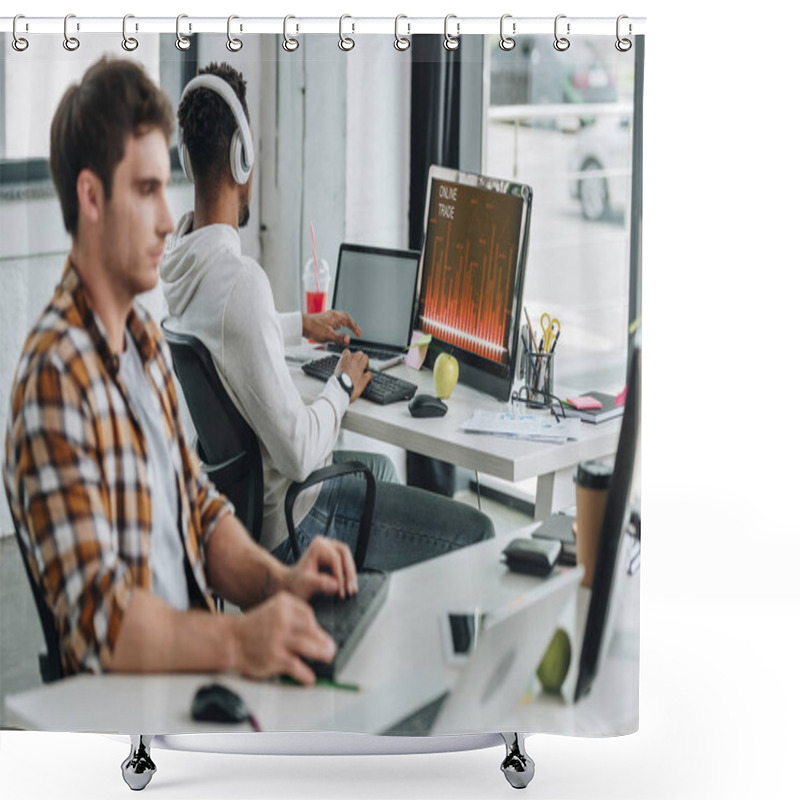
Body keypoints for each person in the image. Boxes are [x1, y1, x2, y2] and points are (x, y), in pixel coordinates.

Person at [2, 57, 357, 686]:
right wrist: (242, 638)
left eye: (165, 187)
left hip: (192, 672)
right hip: (138, 709)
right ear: (91, 197)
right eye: (145, 191)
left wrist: (281, 581)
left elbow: (199, 510)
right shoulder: (55, 380)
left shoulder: (139, 340)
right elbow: (105, 626)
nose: (170, 221)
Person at [160, 63, 494, 571]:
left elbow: (231, 329)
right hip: (292, 525)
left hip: (239, 517)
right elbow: (297, 453)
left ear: (188, 159)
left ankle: (364, 620)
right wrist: (340, 386)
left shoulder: (183, 269)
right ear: (242, 159)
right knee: (478, 530)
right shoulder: (240, 282)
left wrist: (299, 324)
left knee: (378, 467)